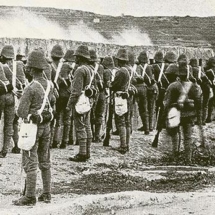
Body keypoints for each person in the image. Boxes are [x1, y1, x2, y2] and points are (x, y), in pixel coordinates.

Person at [13, 49, 55, 206]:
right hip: (46, 127)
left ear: (31, 69)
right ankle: (47, 193)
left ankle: (30, 196)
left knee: (30, 161)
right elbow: (52, 102)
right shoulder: (49, 85)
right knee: (45, 160)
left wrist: (21, 99)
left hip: (32, 129)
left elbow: (21, 112)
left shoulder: (30, 88)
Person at [163, 58, 202, 165]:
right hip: (189, 115)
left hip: (175, 113)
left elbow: (166, 103)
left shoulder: (173, 86)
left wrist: (165, 116)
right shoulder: (194, 86)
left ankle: (175, 158)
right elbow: (199, 102)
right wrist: (198, 117)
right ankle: (188, 160)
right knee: (188, 138)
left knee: (175, 136)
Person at [67, 45, 93, 162]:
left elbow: (76, 91)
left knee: (80, 127)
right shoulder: (89, 69)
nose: (75, 59)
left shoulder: (79, 70)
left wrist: (69, 105)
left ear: (80, 57)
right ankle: (87, 151)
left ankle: (82, 153)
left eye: (76, 57)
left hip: (79, 101)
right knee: (87, 126)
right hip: (87, 100)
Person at [111, 48, 130, 154]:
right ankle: (126, 144)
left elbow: (115, 84)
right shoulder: (127, 70)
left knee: (120, 121)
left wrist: (110, 84)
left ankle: (123, 145)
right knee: (125, 122)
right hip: (124, 96)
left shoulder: (121, 71)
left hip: (119, 97)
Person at [0, 45, 15, 158]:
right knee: (9, 124)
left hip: (1, 96)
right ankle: (5, 150)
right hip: (12, 96)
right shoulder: (14, 66)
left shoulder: (2, 66)